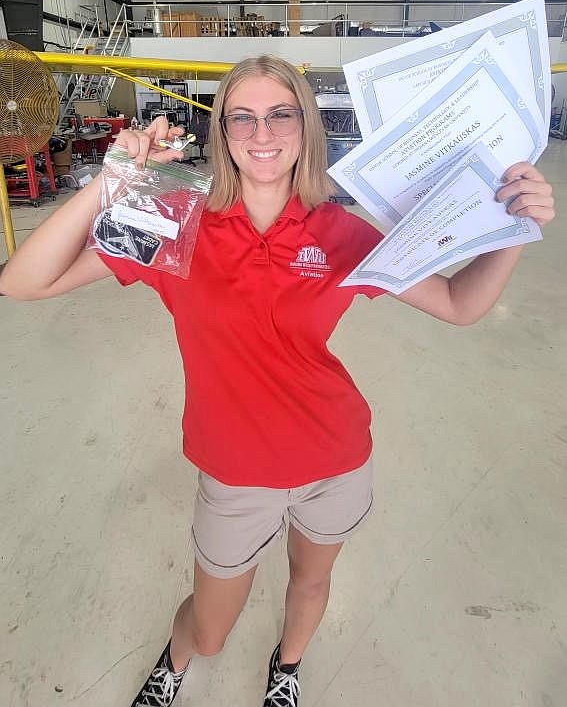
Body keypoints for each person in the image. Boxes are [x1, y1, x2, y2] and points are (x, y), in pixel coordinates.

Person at [0, 55, 555, 707]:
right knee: (210, 629)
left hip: (335, 458)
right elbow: (22, 282)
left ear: (304, 126)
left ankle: (285, 668)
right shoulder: (174, 218)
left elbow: (461, 305)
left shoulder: (339, 231)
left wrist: (515, 226)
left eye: (279, 115)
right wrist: (113, 184)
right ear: (222, 131)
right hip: (235, 471)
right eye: (242, 117)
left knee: (311, 586)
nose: (261, 135)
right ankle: (179, 656)